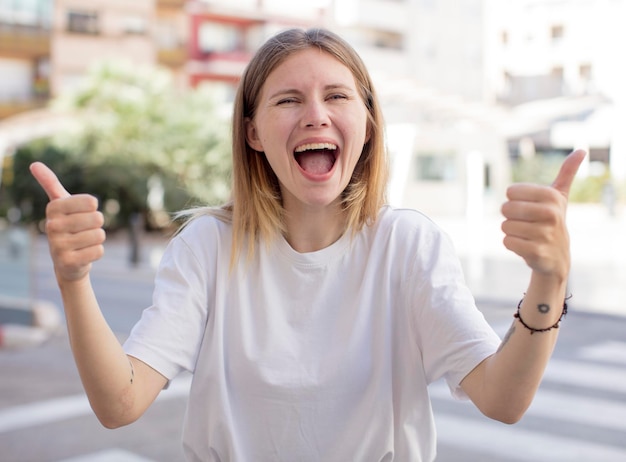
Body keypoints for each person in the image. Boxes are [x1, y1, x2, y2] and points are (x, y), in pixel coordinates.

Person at [30, 27, 586, 462]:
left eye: (337, 96)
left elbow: (503, 399)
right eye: (288, 100)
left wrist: (549, 280)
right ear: (252, 133)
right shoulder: (207, 247)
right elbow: (120, 402)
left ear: (367, 124)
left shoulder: (408, 245)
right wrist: (73, 282)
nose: (315, 115)